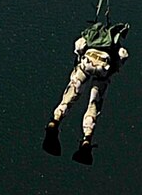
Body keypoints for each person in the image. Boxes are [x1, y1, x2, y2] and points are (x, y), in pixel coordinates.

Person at [43, 21, 129, 164]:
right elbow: (123, 55)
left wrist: (79, 58)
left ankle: (55, 121)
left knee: (71, 95)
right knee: (94, 104)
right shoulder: (114, 44)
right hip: (103, 68)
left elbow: (79, 46)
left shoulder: (91, 36)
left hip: (86, 63)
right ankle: (87, 139)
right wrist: (114, 69)